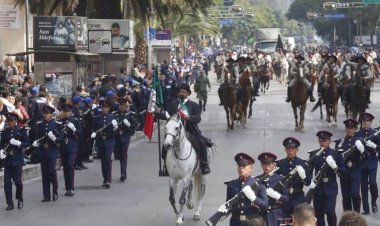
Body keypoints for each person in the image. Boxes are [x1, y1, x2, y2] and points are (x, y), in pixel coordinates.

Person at [157, 83, 211, 175]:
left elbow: (198, 118)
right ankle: (166, 166)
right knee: (165, 145)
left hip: (190, 130)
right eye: (180, 92)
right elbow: (167, 116)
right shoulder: (174, 104)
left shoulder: (194, 105)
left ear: (188, 93)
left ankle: (204, 164)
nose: (181, 93)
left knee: (201, 142)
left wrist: (188, 117)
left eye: (183, 92)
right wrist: (156, 114)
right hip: (175, 131)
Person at [308, 130, 346, 226]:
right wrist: (309, 181)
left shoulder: (335, 154)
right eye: (321, 140)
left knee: (330, 212)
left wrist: (335, 167)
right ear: (319, 141)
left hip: (330, 188)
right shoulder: (314, 154)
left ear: (329, 141)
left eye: (325, 140)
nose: (323, 142)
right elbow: (309, 171)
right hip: (318, 188)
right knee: (319, 214)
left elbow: (343, 171)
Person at [222, 153, 267, 226]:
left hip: (253, 222)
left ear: (251, 168)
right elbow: (229, 204)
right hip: (236, 222)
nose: (241, 168)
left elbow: (265, 206)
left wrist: (254, 198)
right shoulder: (232, 185)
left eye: (244, 166)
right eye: (239, 166)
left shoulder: (259, 184)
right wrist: (224, 209)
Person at [32, 105, 63, 202]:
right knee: (45, 174)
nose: (46, 115)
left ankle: (55, 191)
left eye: (48, 113)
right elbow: (36, 137)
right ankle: (46, 195)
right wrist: (35, 142)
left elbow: (61, 138)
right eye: (45, 113)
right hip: (43, 151)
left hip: (52, 151)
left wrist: (55, 138)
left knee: (51, 172)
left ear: (51, 114)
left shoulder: (56, 124)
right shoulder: (39, 124)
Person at [276, 137, 312, 218]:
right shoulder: (280, 164)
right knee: (285, 221)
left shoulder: (303, 163)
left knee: (299, 220)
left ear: (297, 150)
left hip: (298, 196)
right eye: (288, 148)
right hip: (284, 197)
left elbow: (308, 182)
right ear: (285, 150)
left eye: (293, 148)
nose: (290, 151)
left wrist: (303, 176)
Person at [0, 112, 29, 210]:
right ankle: (10, 203)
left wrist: (18, 143)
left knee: (18, 182)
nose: (9, 123)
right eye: (8, 121)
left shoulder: (21, 131)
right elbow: (1, 144)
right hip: (8, 160)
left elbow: (26, 143)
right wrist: (1, 151)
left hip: (17, 160)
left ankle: (20, 198)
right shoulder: (5, 132)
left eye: (11, 121)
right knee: (7, 183)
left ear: (15, 121)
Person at [335, 119, 364, 212]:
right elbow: (337, 157)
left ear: (356, 129)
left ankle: (356, 214)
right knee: (346, 196)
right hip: (344, 172)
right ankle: (347, 216)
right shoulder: (340, 142)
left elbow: (366, 155)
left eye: (352, 128)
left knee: (355, 194)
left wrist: (362, 149)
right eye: (348, 128)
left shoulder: (360, 141)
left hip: (356, 170)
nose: (349, 130)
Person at [356, 112, 380, 214]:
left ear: (371, 122)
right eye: (364, 121)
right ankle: (366, 209)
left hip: (372, 163)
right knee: (364, 186)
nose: (366, 123)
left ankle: (374, 201)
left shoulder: (375, 133)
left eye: (368, 121)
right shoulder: (357, 134)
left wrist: (374, 146)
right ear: (361, 122)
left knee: (373, 184)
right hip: (361, 163)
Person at [90, 101, 118, 188]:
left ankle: (108, 180)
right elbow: (94, 128)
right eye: (103, 107)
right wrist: (93, 133)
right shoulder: (97, 118)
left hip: (109, 141)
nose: (104, 109)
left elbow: (116, 130)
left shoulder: (112, 117)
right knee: (103, 161)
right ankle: (105, 179)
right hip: (101, 141)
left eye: (106, 107)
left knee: (107, 159)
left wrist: (115, 126)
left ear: (109, 108)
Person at [257, 152, 289, 226]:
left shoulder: (280, 179)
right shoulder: (257, 180)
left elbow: (287, 198)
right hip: (262, 216)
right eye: (264, 164)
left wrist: (278, 196)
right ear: (261, 165)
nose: (267, 166)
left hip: (276, 214)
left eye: (269, 164)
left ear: (274, 164)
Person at [59, 103, 81, 196]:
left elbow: (80, 134)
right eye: (64, 111)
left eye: (68, 111)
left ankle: (71, 187)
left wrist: (74, 129)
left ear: (71, 112)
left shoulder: (75, 121)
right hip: (63, 146)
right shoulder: (60, 122)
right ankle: (67, 188)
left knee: (70, 165)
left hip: (72, 146)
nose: (66, 113)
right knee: (65, 167)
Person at [114, 97, 136, 182]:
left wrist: (129, 125)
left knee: (124, 154)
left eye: (123, 105)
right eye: (120, 105)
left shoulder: (130, 114)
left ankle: (123, 173)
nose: (122, 106)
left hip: (125, 136)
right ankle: (123, 171)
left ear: (126, 105)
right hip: (117, 136)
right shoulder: (115, 114)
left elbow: (134, 126)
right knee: (119, 154)